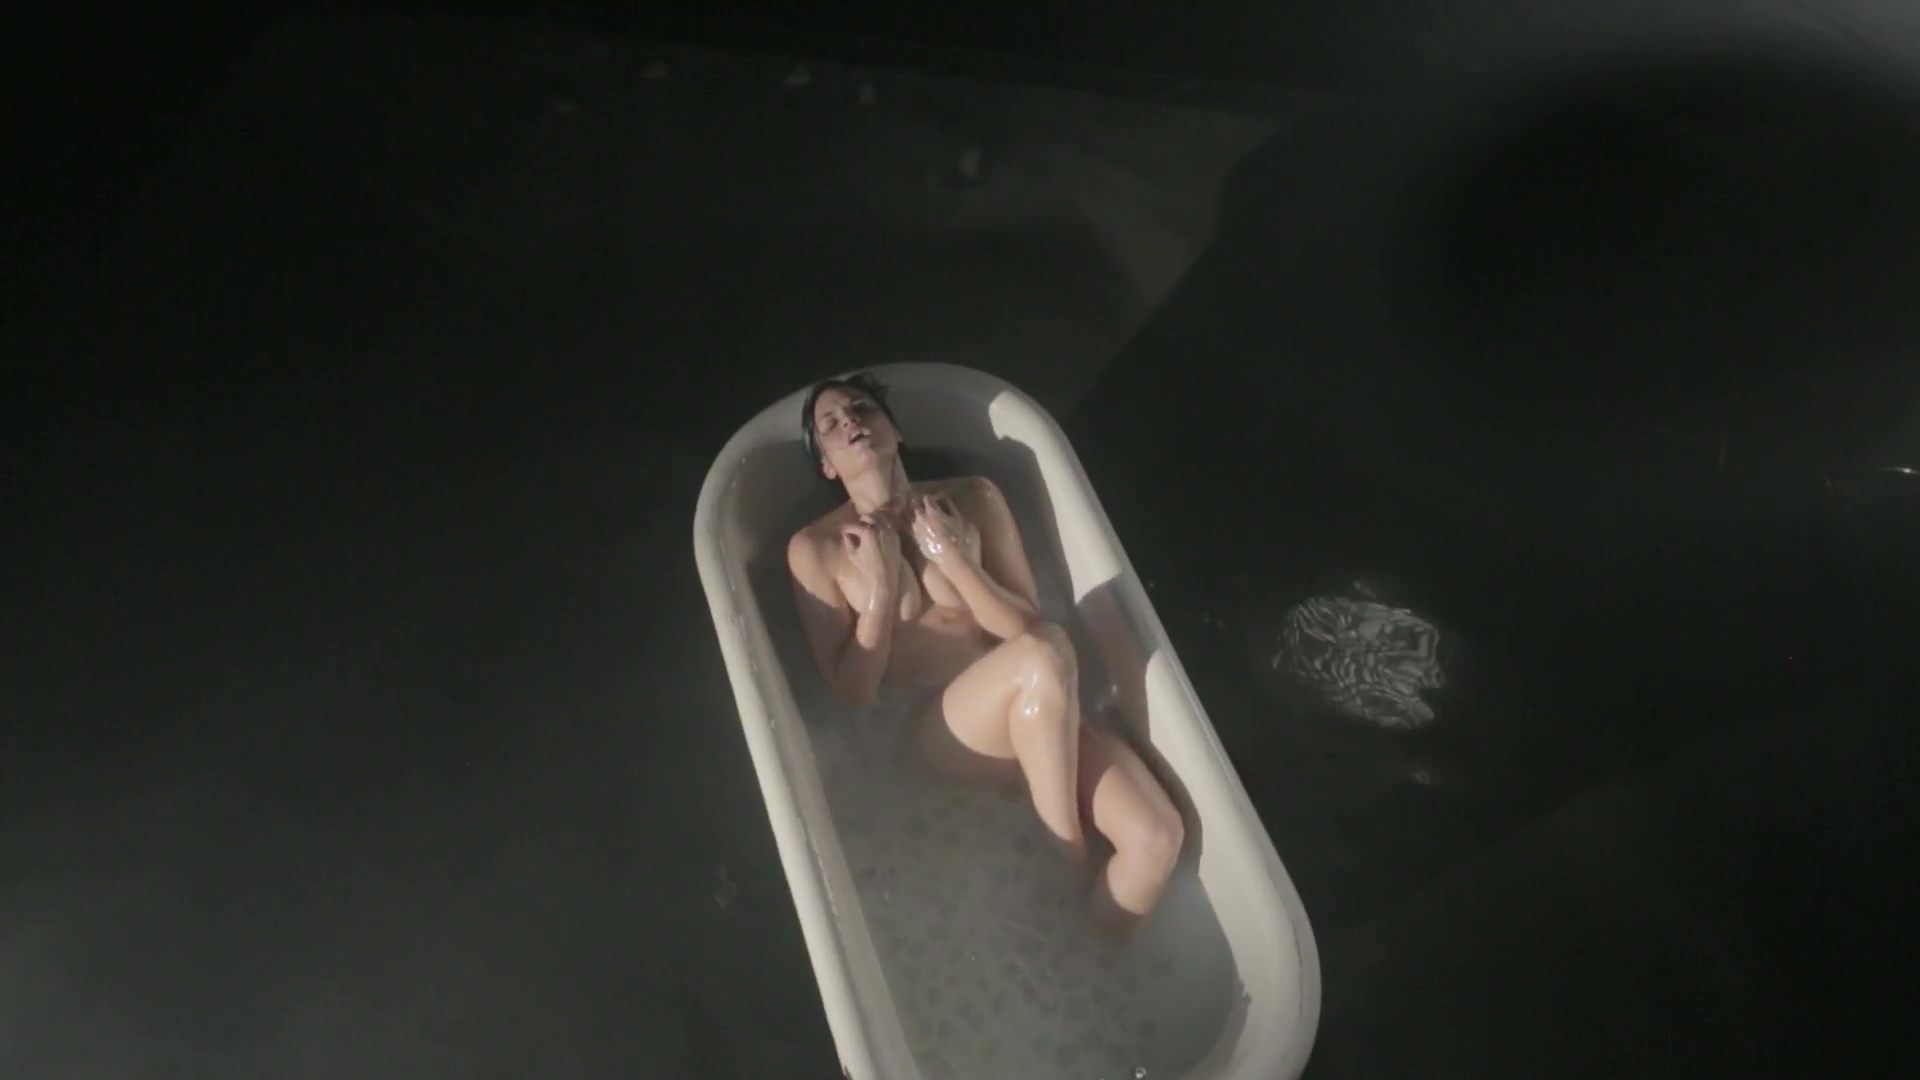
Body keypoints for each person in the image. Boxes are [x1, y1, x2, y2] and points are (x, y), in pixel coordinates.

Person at [786, 372, 1186, 934]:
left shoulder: (973, 498)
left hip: (1040, 704)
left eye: (862, 408)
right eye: (831, 423)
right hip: (939, 734)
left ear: (895, 431)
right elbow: (853, 691)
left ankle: (1092, 954)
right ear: (827, 465)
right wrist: (878, 594)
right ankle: (1064, 860)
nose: (851, 420)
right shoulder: (817, 549)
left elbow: (1025, 625)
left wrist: (959, 563)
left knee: (1156, 839)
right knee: (1043, 654)